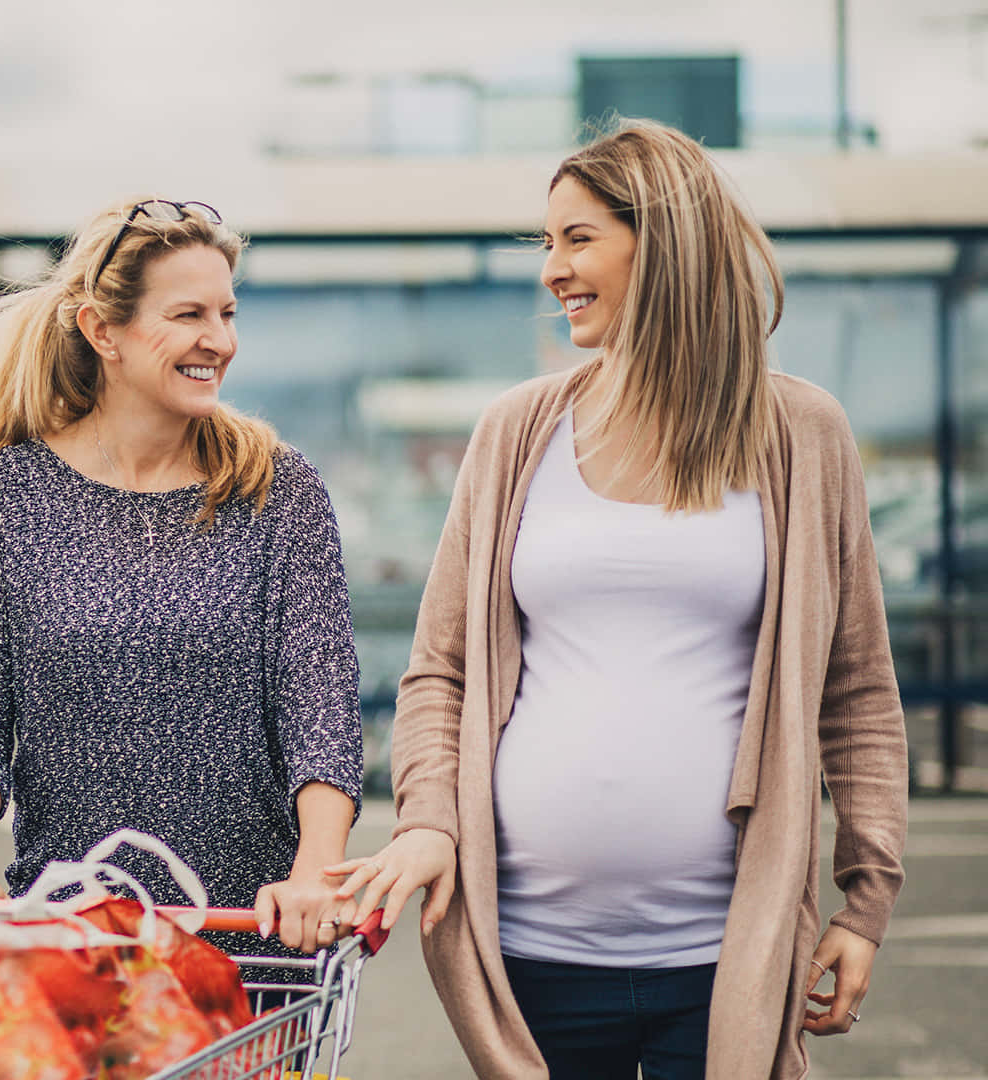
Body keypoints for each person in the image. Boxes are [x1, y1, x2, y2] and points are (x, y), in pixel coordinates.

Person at [330, 120, 909, 1078]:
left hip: (723, 961)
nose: (553, 269)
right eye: (546, 243)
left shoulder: (804, 434)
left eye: (579, 238)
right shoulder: (517, 431)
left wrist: (866, 903)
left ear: (668, 242)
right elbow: (439, 670)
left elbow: (857, 694)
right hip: (531, 962)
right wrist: (428, 818)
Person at [0, 199, 365, 954]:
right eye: (188, 314)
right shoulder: (18, 491)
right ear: (102, 331)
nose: (218, 341)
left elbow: (321, 712)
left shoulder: (276, 488)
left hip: (249, 948)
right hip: (68, 935)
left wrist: (317, 869)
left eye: (227, 313)